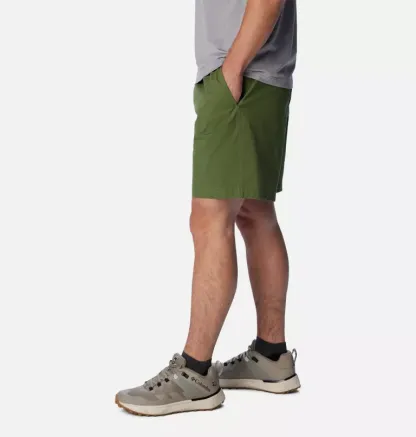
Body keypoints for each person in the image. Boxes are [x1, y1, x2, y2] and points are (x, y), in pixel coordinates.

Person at [115, 0, 299, 416]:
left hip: (244, 74)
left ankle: (194, 372)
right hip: (254, 75)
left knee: (210, 217)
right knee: (255, 212)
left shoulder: (237, 70)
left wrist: (232, 68)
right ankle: (271, 356)